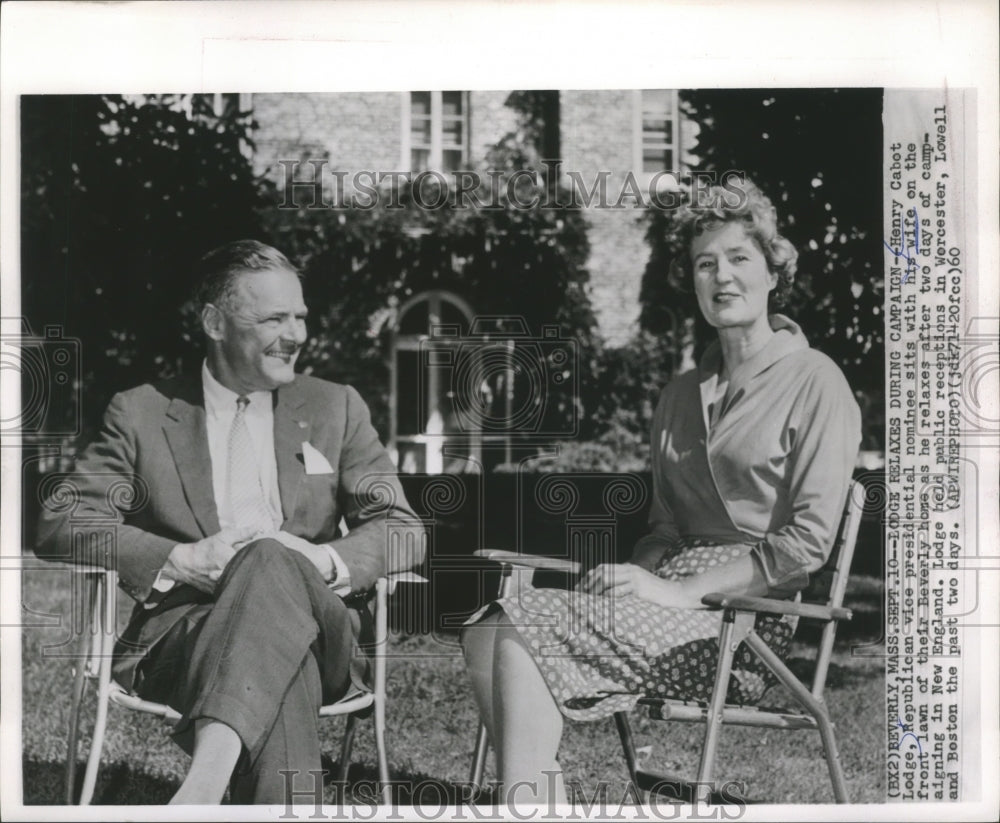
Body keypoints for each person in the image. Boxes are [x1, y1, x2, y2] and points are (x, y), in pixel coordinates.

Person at [460, 178, 862, 804]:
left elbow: (804, 547)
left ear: (773, 271)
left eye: (738, 258)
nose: (721, 277)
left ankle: (528, 804)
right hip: (664, 603)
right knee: (484, 630)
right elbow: (666, 529)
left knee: (517, 626)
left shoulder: (816, 381)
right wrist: (629, 577)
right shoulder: (681, 393)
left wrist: (674, 591)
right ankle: (540, 800)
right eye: (705, 264)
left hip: (746, 623)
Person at [36, 240, 425, 804]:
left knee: (269, 556)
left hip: (322, 631)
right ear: (215, 322)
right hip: (185, 635)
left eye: (301, 317)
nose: (297, 335)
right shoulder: (143, 412)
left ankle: (202, 791)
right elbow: (61, 519)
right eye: (274, 318)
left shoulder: (334, 406)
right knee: (283, 668)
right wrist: (177, 560)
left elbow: (402, 526)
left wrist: (321, 559)